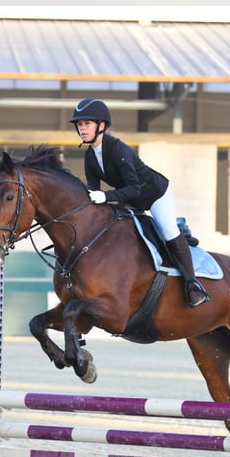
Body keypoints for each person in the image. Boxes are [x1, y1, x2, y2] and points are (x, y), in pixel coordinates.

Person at [70, 98, 210, 307]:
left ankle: (193, 285)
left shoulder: (119, 149)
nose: (82, 128)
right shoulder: (90, 156)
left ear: (101, 126)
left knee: (168, 230)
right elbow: (94, 191)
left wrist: (107, 197)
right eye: (79, 125)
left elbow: (135, 188)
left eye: (86, 123)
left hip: (153, 195)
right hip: (128, 200)